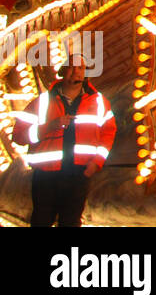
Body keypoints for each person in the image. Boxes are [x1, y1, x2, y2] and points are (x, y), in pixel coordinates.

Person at [13, 54, 116, 226]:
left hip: (79, 173)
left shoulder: (99, 103)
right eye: (71, 67)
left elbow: (108, 133)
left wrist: (96, 162)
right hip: (46, 174)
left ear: (85, 74)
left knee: (71, 221)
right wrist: (49, 127)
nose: (75, 72)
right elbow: (18, 136)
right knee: (41, 221)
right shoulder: (41, 103)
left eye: (80, 68)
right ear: (62, 71)